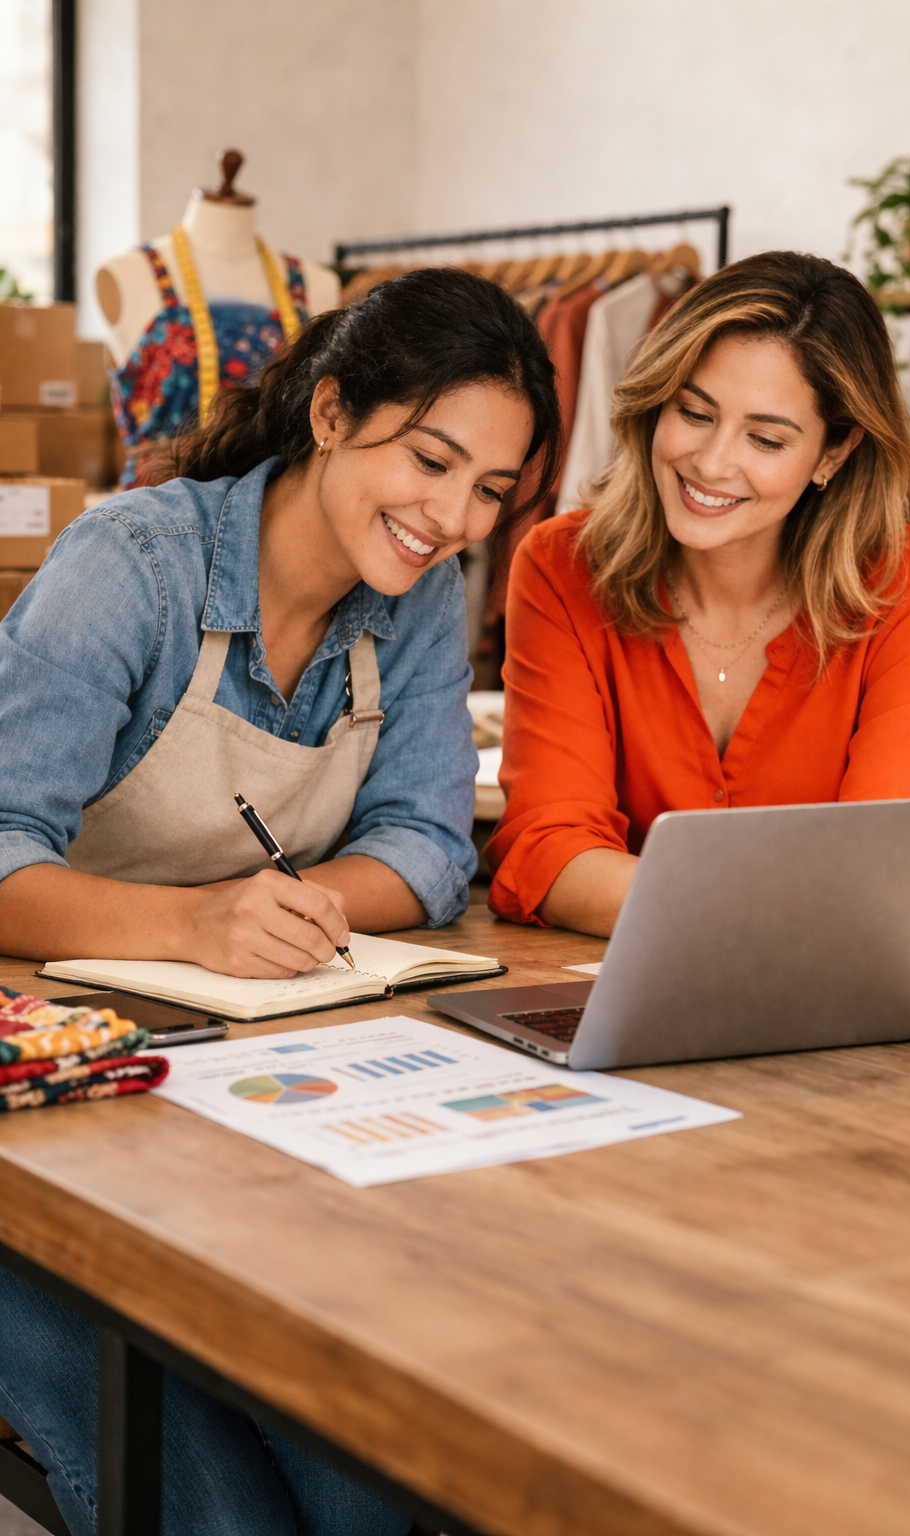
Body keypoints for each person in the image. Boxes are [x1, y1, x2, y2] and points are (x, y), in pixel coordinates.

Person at [0, 267, 559, 1536]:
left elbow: (427, 847)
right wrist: (197, 924)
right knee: (222, 1514)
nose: (451, 518)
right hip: (38, 1115)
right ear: (329, 411)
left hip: (237, 1087)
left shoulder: (416, 598)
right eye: (430, 460)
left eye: (488, 490)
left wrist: (293, 909)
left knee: (363, 1493)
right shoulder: (132, 567)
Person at [487, 251, 910, 936]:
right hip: (617, 981)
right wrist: (782, 908)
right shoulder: (561, 566)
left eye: (766, 439)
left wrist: (679, 902)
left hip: (822, 991)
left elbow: (889, 869)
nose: (712, 463)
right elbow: (549, 850)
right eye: (694, 412)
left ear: (833, 453)